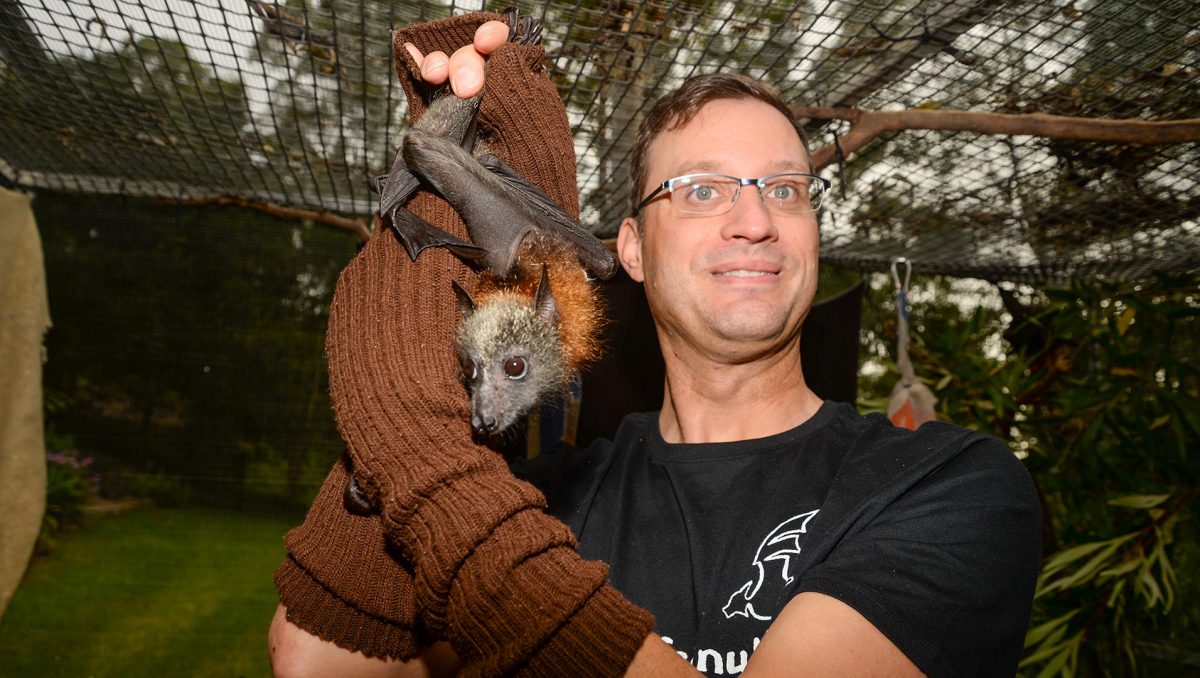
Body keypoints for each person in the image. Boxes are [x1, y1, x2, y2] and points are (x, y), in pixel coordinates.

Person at [268, 13, 1042, 678]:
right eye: (701, 190)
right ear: (630, 251)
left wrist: (423, 463)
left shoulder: (948, 486)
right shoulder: (541, 494)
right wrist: (436, 213)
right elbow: (321, 661)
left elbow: (436, 479)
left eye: (785, 189)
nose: (754, 221)